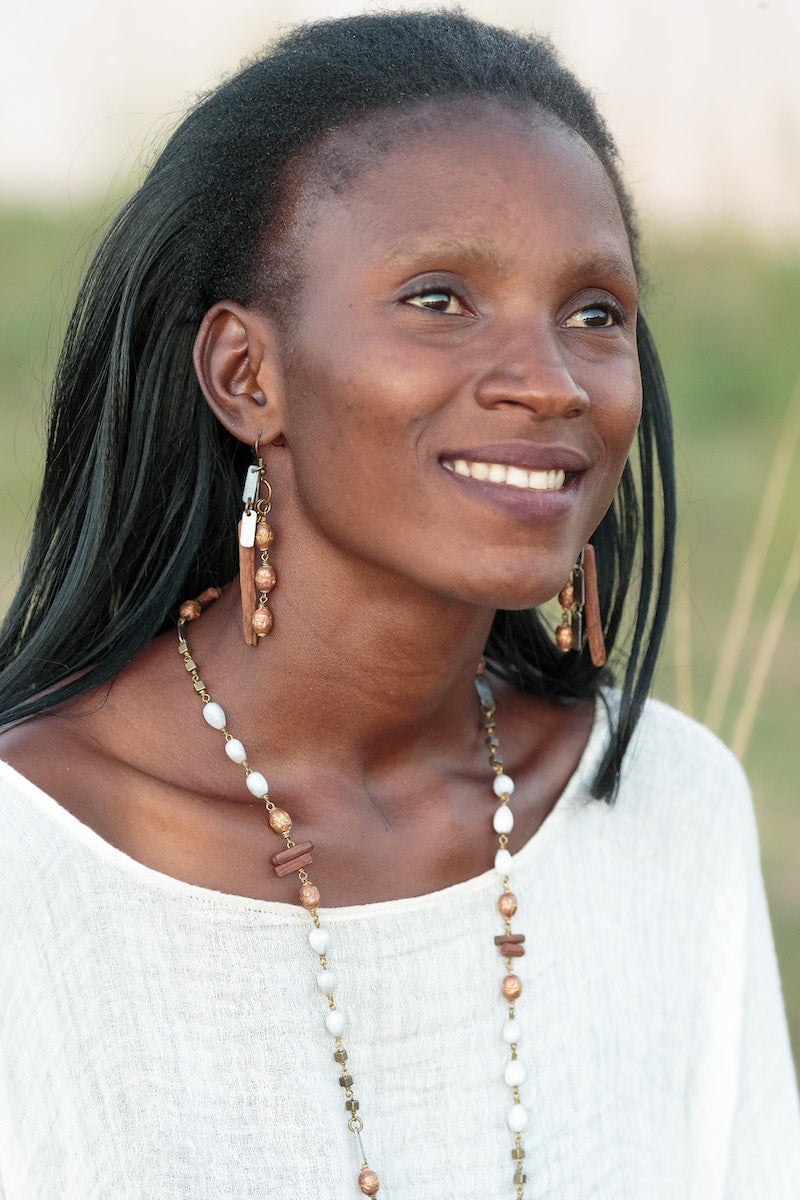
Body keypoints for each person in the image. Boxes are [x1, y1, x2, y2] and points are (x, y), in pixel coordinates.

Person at [0, 10, 798, 1198]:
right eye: (438, 299)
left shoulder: (668, 812)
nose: (546, 381)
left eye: (594, 313)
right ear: (245, 375)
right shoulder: (34, 859)